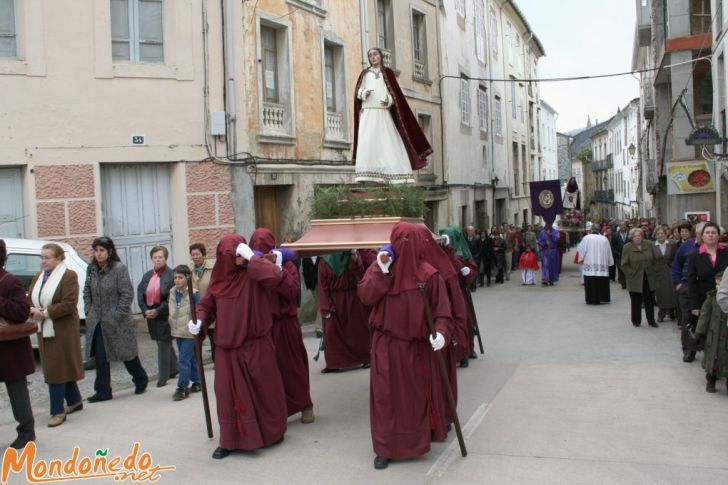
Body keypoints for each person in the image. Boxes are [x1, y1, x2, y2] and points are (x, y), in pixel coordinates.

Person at [357, 222, 454, 470]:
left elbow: (443, 313)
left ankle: (414, 441)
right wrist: (382, 270)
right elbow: (366, 295)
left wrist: (441, 334)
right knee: (385, 399)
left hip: (415, 348)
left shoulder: (429, 275)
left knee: (412, 399)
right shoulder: (380, 266)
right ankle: (385, 447)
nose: (406, 248)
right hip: (385, 346)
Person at [189, 234, 288, 459]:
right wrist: (199, 320)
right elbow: (206, 305)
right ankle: (230, 440)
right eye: (223, 256)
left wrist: (252, 257)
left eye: (233, 255)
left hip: (256, 346)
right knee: (226, 396)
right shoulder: (219, 279)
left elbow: (276, 277)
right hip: (226, 349)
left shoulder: (255, 274)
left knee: (265, 392)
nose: (228, 260)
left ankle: (271, 433)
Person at [249, 228, 314, 424]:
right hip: (264, 327)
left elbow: (292, 290)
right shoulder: (252, 268)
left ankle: (305, 405)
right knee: (268, 373)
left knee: (293, 367)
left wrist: (275, 269)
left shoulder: (286, 265)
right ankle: (276, 411)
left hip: (286, 325)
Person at [352, 47, 431, 184]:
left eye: (375, 54)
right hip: (368, 113)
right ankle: (368, 175)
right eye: (370, 55)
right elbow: (357, 92)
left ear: (381, 56)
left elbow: (395, 94)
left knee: (387, 142)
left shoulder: (387, 73)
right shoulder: (365, 74)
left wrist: (388, 100)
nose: (373, 57)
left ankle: (392, 174)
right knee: (368, 143)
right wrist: (363, 93)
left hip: (382, 114)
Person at [84, 237, 148, 402]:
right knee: (100, 356)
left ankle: (140, 378)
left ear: (109, 252)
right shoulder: (91, 269)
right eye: (96, 250)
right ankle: (103, 391)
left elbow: (127, 294)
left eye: (102, 251)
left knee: (126, 353)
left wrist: (116, 315)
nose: (98, 254)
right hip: (98, 320)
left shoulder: (119, 269)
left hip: (117, 321)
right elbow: (86, 292)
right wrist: (89, 311)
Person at [28, 243, 84, 427]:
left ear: (59, 258)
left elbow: (69, 303)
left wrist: (44, 313)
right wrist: (31, 309)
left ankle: (57, 411)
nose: (43, 261)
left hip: (62, 329)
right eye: (42, 257)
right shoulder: (38, 277)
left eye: (48, 257)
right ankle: (75, 400)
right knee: (60, 365)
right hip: (44, 328)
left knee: (55, 369)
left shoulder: (68, 276)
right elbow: (30, 299)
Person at [0, 239, 35, 449]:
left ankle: (27, 431)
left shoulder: (9, 281)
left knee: (17, 392)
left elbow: (22, 311)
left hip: (10, 350)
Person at [317, 251, 371, 372]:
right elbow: (322, 285)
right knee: (332, 332)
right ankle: (334, 363)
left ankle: (365, 358)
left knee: (358, 329)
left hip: (353, 298)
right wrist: (326, 306)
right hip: (334, 300)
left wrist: (355, 257)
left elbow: (359, 273)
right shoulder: (324, 261)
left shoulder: (351, 257)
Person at [137, 246, 178, 388]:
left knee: (163, 343)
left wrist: (158, 311)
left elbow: (171, 297)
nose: (158, 259)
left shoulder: (171, 275)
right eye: (155, 257)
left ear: (166, 258)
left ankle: (163, 377)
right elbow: (140, 293)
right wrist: (144, 310)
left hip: (164, 315)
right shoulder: (147, 276)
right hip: (151, 315)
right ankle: (174, 368)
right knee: (163, 342)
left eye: (160, 257)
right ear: (151, 259)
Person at [167, 265, 200, 401]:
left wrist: (196, 326)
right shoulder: (173, 292)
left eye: (180, 277)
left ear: (187, 278)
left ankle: (182, 388)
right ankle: (198, 382)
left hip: (189, 332)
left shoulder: (194, 293)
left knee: (183, 359)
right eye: (175, 277)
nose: (177, 280)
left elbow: (199, 310)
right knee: (190, 358)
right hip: (177, 330)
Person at [673, 222, 703, 362]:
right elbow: (676, 264)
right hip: (686, 289)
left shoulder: (716, 249)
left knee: (704, 321)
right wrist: (678, 284)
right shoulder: (687, 246)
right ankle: (688, 350)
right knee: (687, 321)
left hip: (705, 291)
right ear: (697, 233)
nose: (707, 235)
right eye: (703, 232)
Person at [621, 228, 659, 327]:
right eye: (635, 236)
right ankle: (636, 321)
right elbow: (624, 264)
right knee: (636, 301)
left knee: (649, 300)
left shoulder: (649, 244)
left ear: (642, 236)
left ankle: (651, 320)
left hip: (648, 277)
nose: (637, 238)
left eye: (639, 235)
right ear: (631, 237)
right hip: (634, 278)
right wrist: (630, 273)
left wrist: (654, 270)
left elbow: (655, 259)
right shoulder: (627, 247)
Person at [698, 271, 728, 393]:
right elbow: (704, 315)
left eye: (720, 284)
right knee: (713, 360)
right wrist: (700, 332)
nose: (718, 287)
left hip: (725, 335)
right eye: (716, 284)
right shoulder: (712, 297)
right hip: (714, 334)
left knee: (725, 359)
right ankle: (711, 379)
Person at [190, 243, 215, 362]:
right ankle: (198, 369)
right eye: (193, 254)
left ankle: (218, 364)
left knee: (215, 340)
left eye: (198, 254)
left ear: (203, 255)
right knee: (197, 343)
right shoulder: (189, 272)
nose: (195, 257)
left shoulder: (212, 269)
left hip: (212, 312)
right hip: (197, 313)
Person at [577, 225, 614, 305]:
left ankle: (591, 299)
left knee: (591, 282)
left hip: (590, 263)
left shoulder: (586, 238)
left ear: (591, 230)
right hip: (601, 264)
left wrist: (581, 258)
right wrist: (610, 262)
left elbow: (581, 249)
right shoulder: (604, 239)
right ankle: (602, 298)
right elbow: (608, 251)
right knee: (601, 281)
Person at [653, 226, 678, 322]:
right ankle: (661, 313)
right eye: (658, 234)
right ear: (655, 235)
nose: (660, 235)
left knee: (672, 292)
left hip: (670, 270)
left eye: (662, 233)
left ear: (666, 234)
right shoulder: (652, 245)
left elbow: (676, 257)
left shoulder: (672, 243)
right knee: (660, 293)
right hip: (658, 272)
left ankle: (672, 311)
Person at [612, 221, 630, 289]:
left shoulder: (630, 234)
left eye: (624, 225)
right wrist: (618, 254)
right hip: (619, 255)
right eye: (621, 225)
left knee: (628, 269)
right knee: (621, 269)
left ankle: (629, 283)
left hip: (629, 255)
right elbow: (613, 246)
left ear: (626, 226)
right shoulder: (615, 235)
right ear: (619, 226)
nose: (623, 226)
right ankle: (623, 283)